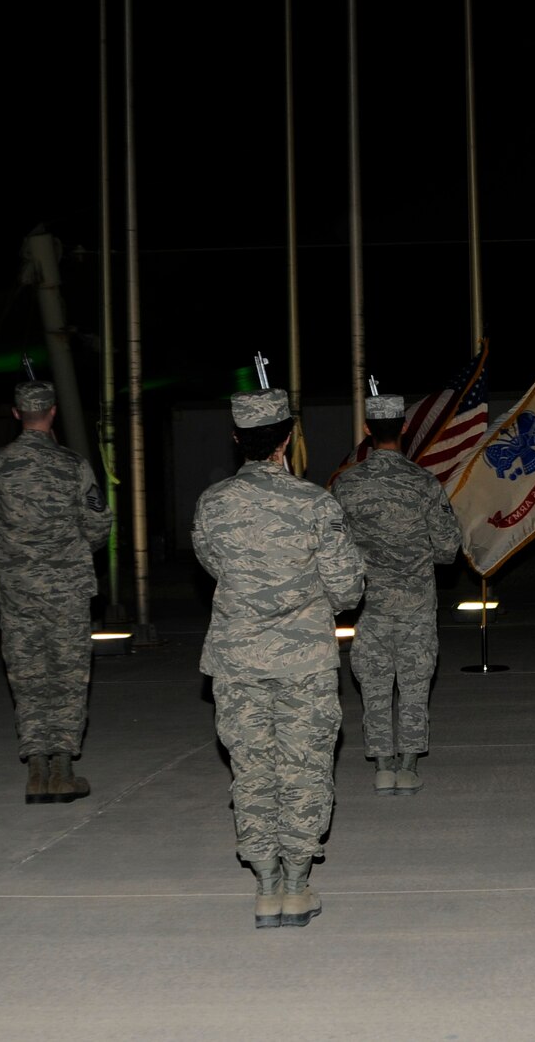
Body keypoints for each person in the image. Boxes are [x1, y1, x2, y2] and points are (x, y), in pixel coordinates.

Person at [194, 387, 365, 928]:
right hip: (304, 661)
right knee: (304, 767)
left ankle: (265, 886)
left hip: (238, 658)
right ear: (289, 437)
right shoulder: (316, 504)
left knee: (252, 769)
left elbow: (212, 563)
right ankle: (297, 884)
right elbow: (346, 591)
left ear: (237, 438)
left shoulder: (213, 503)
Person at [0, 379, 108, 803]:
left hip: (17, 586)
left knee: (27, 673)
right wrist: (68, 551)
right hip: (66, 586)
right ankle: (63, 768)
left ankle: (36, 768)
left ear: (16, 413)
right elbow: (98, 522)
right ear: (52, 412)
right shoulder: (72, 465)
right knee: (68, 675)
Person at [332, 390, 460, 795]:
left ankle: (382, 766)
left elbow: (334, 550)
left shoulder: (346, 486)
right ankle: (408, 767)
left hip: (369, 605)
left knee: (373, 685)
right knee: (414, 686)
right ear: (404, 428)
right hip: (417, 605)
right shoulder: (423, 483)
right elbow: (447, 548)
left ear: (367, 429)